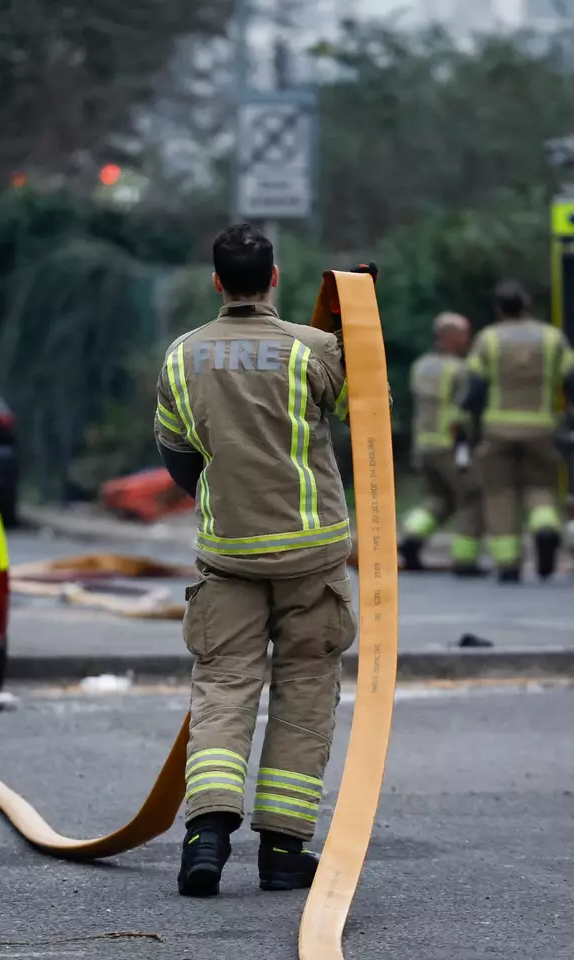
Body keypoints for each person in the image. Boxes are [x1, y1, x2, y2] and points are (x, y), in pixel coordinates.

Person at [154, 223, 356, 897]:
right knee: (304, 692)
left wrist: (219, 500)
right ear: (273, 278)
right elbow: (371, 421)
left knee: (223, 689)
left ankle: (204, 839)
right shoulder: (314, 349)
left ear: (216, 282)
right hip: (311, 554)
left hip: (228, 554)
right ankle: (282, 852)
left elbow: (177, 452)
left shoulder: (183, 357)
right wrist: (359, 336)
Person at [460, 280, 574, 583]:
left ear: (499, 309)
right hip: (542, 428)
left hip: (498, 429)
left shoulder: (488, 339)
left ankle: (508, 564)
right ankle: (545, 528)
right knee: (542, 488)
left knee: (500, 493)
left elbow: (475, 387)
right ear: (527, 304)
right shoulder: (551, 338)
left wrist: (466, 421)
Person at [399, 311, 483, 575]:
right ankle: (465, 561)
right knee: (471, 498)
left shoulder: (421, 365)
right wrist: (466, 450)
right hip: (450, 444)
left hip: (424, 446)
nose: (467, 339)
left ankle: (411, 539)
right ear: (449, 336)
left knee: (440, 499)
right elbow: (464, 412)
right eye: (463, 334)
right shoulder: (460, 369)